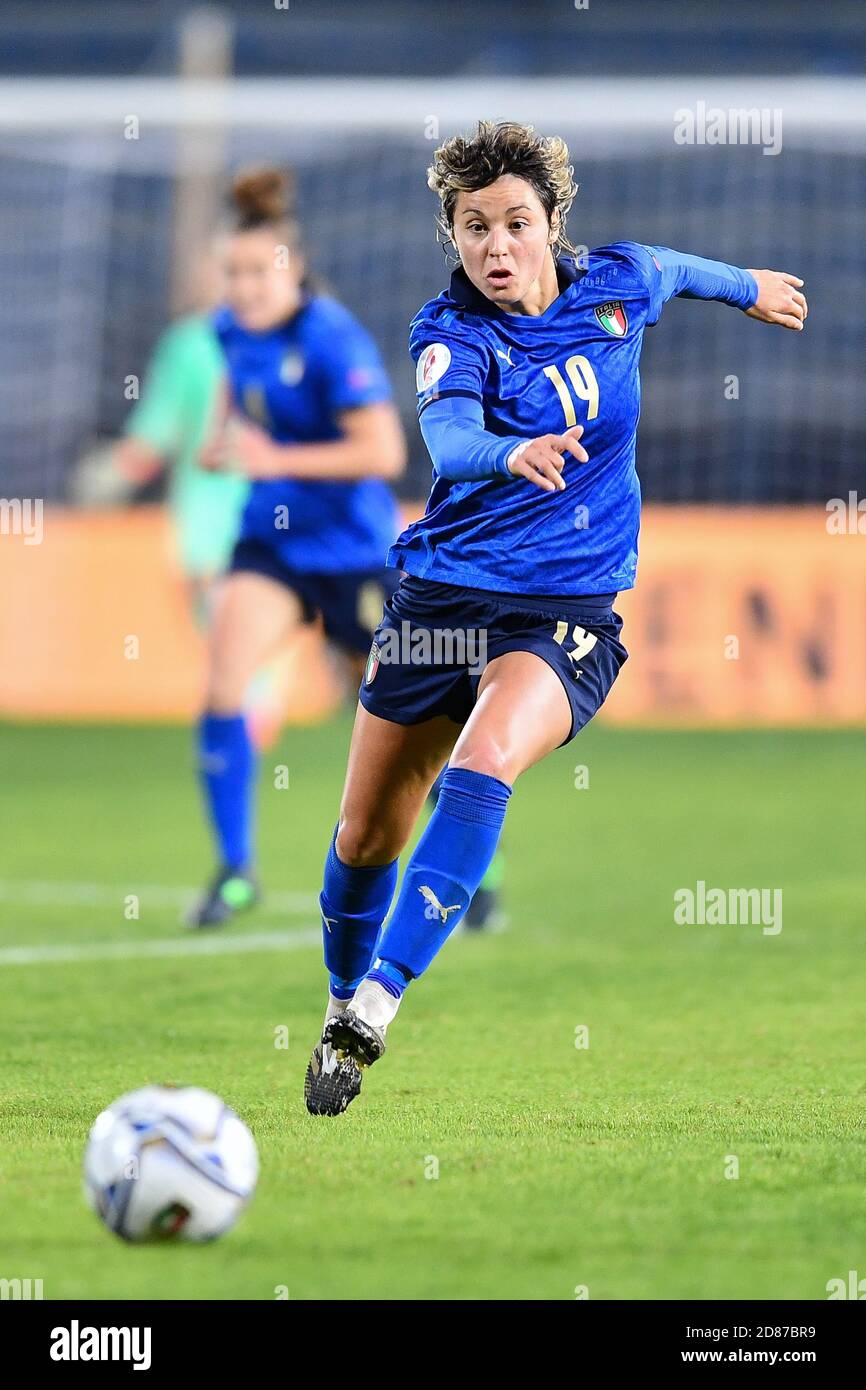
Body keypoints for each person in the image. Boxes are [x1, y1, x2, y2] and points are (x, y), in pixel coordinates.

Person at [304, 120, 807, 1117]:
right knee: (366, 834)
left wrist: (744, 284)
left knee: (485, 759)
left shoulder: (616, 285)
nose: (494, 247)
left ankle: (374, 1007)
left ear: (550, 223)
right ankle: (332, 1003)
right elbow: (446, 439)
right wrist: (509, 452)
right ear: (451, 234)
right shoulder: (446, 330)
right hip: (441, 601)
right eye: (472, 226)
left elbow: (669, 267)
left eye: (514, 223)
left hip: (565, 610)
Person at [188, 167, 406, 929]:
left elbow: (381, 451)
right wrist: (220, 441)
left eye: (258, 271)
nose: (244, 287)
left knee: (400, 713)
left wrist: (276, 459)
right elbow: (233, 399)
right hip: (272, 545)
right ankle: (236, 871)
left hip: (353, 552)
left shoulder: (330, 335)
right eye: (233, 273)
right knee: (223, 681)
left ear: (293, 268)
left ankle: (472, 874)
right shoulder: (228, 330)